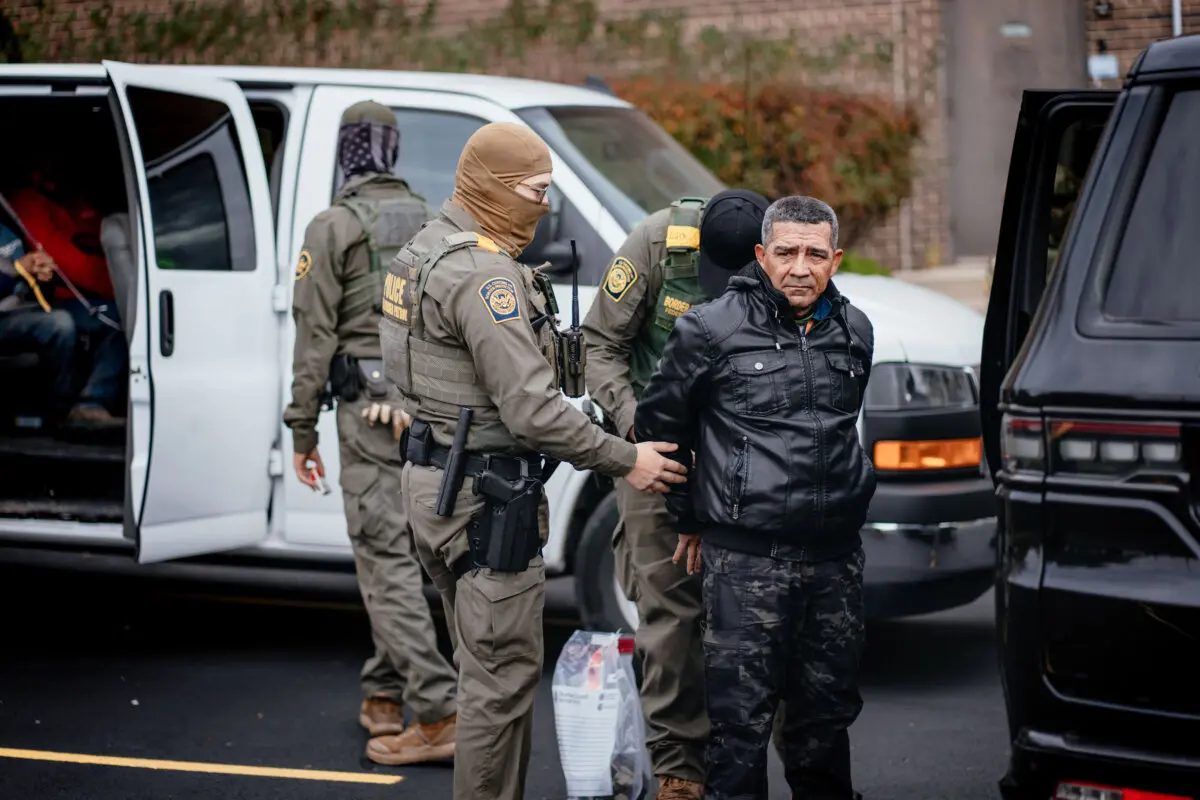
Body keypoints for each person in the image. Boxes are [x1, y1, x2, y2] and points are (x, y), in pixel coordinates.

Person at [378, 120, 689, 800]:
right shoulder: (485, 278)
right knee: (501, 684)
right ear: (492, 186)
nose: (543, 205)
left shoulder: (425, 249)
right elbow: (533, 413)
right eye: (535, 190)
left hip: (434, 482)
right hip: (489, 502)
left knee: (480, 669)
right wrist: (624, 459)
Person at [635, 195, 876, 800]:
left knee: (824, 728)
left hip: (834, 565)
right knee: (738, 735)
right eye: (787, 252)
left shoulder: (856, 330)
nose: (801, 267)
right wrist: (689, 516)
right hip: (746, 564)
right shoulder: (708, 328)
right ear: (761, 255)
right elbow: (661, 429)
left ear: (836, 259)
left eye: (815, 254)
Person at [282, 100, 460, 765]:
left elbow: (313, 336)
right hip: (433, 409)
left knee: (384, 562)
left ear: (346, 154)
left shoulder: (332, 225)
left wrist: (301, 429)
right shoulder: (436, 223)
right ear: (391, 150)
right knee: (411, 552)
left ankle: (439, 712)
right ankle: (383, 693)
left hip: (368, 413)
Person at [581, 189, 769, 799]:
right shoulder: (657, 244)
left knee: (760, 613)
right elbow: (599, 344)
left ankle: (755, 758)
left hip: (742, 456)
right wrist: (637, 425)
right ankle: (678, 767)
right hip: (655, 452)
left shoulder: (786, 257)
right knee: (669, 612)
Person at [9, 165, 126, 427]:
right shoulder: (25, 201)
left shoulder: (72, 208)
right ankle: (69, 411)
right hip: (19, 307)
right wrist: (114, 285)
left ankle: (88, 406)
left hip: (31, 301)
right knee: (64, 323)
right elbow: (55, 255)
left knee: (120, 316)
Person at [0, 224, 78, 420]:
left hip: (20, 309)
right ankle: (61, 411)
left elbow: (27, 285)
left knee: (103, 318)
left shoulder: (8, 230)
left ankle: (75, 410)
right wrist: (17, 270)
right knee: (60, 324)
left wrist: (42, 275)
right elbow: (15, 273)